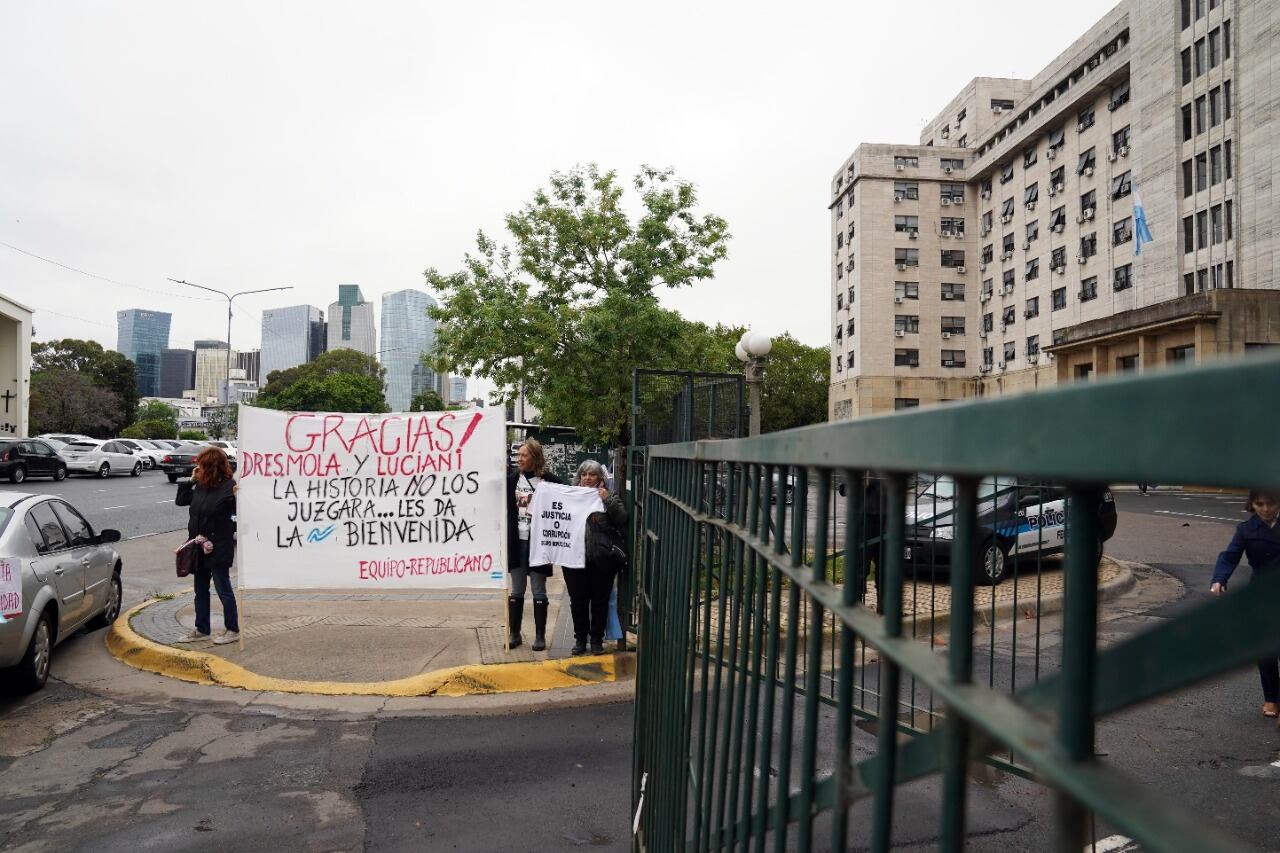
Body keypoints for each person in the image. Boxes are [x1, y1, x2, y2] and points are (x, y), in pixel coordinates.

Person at [1211, 489, 1280, 721]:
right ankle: (1271, 698)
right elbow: (1230, 556)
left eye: (1270, 503)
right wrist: (1220, 579)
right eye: (1260, 504)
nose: (1266, 509)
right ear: (1252, 504)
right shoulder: (1246, 530)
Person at [174, 447, 240, 645]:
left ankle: (232, 629)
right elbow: (180, 501)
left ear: (211, 467)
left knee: (223, 589)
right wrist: (191, 480)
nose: (197, 467)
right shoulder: (201, 486)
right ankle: (202, 628)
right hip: (197, 547)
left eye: (201, 465)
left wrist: (238, 499)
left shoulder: (230, 488)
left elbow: (238, 517)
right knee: (200, 590)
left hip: (218, 547)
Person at [506, 439, 562, 651]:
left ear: (535, 458)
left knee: (538, 589)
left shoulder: (550, 482)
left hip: (538, 544)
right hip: (516, 542)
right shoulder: (511, 480)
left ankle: (540, 636)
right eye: (518, 455)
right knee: (517, 588)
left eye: (524, 455)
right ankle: (514, 633)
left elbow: (567, 503)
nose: (519, 459)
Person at [568, 459, 627, 655]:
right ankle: (580, 640)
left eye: (592, 474)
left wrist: (607, 499)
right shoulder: (569, 495)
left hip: (601, 559)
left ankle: (596, 641)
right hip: (574, 559)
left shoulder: (608, 495)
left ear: (599, 478)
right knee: (578, 601)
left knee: (600, 601)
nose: (587, 478)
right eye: (584, 474)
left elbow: (622, 518)